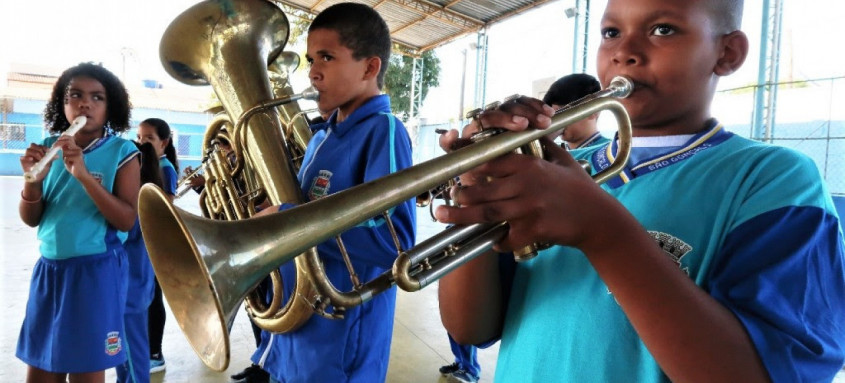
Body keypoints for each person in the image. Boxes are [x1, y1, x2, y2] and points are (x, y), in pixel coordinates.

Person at [436, 0, 845, 382]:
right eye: (611, 32)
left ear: (727, 54)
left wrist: (602, 231)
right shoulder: (554, 170)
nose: (624, 52)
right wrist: (478, 185)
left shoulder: (774, 178)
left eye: (663, 29)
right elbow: (470, 326)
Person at [250, 3, 416, 382]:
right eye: (311, 58)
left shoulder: (383, 131)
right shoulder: (320, 137)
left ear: (370, 68)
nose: (313, 72)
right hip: (297, 330)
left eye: (327, 57)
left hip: (341, 343)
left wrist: (288, 220)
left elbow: (395, 241)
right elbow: (306, 214)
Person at [17, 62, 140, 383]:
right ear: (63, 103)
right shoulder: (48, 147)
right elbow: (32, 219)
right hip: (50, 270)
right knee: (42, 367)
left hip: (96, 272)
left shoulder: (122, 151)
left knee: (86, 370)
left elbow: (127, 220)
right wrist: (32, 181)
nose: (85, 103)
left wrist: (85, 176)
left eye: (97, 97)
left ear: (110, 106)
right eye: (75, 95)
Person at [115, 141, 163, 383]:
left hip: (130, 290)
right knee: (123, 351)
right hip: (131, 287)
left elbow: (123, 232)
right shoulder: (140, 194)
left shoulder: (137, 200)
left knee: (133, 354)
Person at [136, 117, 178, 373]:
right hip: (142, 242)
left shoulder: (165, 168)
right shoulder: (143, 165)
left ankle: (155, 353)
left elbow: (168, 206)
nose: (142, 143)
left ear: (163, 142)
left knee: (152, 299)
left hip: (155, 243)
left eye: (148, 138)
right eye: (139, 138)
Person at [543, 73, 609, 149]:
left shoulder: (611, 151)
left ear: (593, 110)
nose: (555, 120)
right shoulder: (554, 151)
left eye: (562, 111)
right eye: (552, 114)